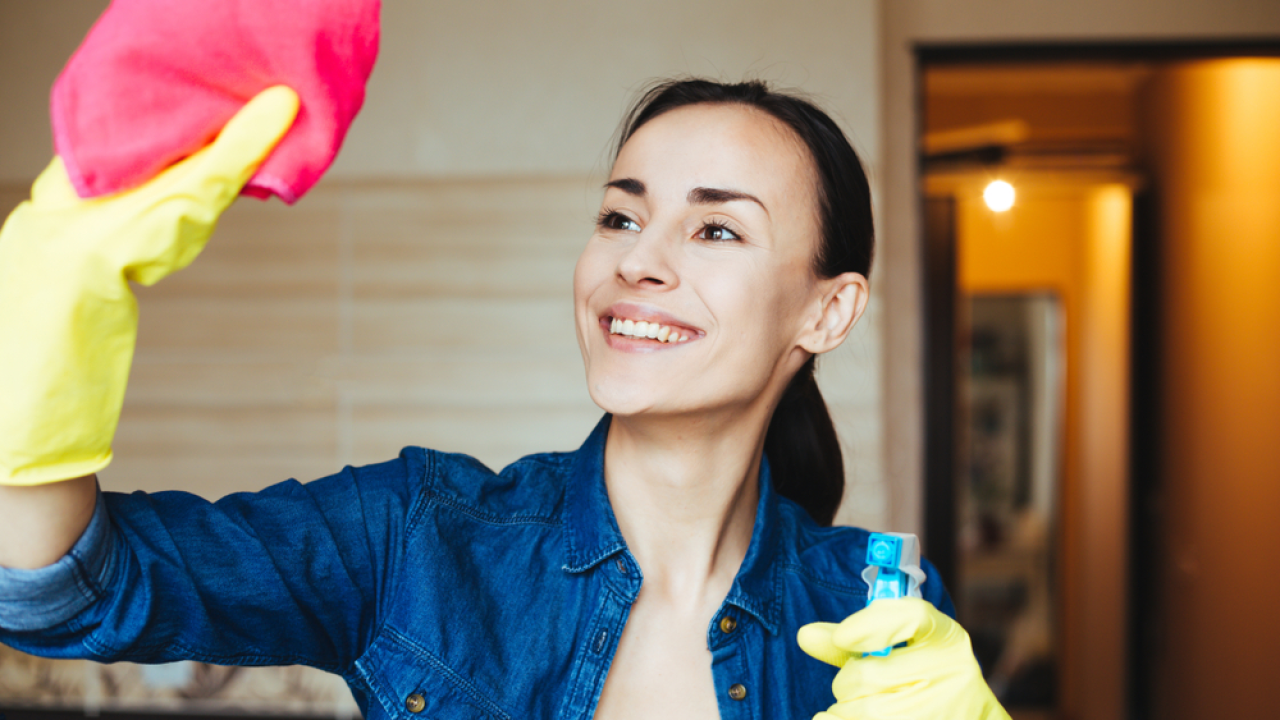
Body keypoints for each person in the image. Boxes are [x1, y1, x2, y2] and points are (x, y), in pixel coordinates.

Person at [0, 79, 1007, 719]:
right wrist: (45, 318)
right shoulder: (412, 538)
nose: (637, 262)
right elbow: (70, 591)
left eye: (714, 231)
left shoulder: (876, 617)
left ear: (826, 313)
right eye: (620, 215)